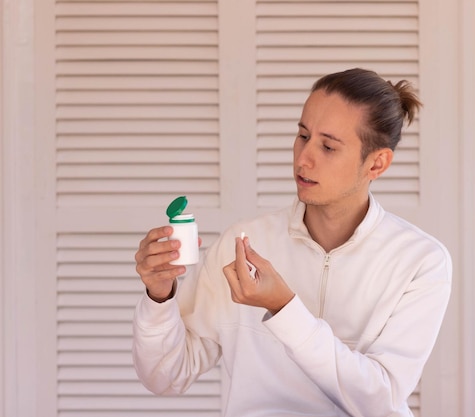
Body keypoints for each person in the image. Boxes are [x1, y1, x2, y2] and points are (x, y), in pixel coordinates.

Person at [133, 68, 452, 417]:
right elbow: (163, 377)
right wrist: (159, 296)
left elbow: (380, 399)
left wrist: (284, 308)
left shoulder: (421, 261)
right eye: (303, 135)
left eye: (328, 146)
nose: (303, 158)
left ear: (377, 163)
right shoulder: (242, 244)